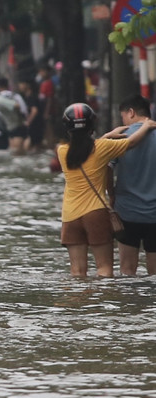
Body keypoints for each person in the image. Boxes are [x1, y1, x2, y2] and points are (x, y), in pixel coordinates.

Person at [56, 102, 156, 279]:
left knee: (77, 272)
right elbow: (131, 142)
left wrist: (108, 135)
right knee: (104, 270)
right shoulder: (103, 148)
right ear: (92, 125)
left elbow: (85, 148)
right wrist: (147, 125)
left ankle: (77, 305)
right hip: (95, 213)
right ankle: (102, 305)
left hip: (70, 215)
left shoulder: (62, 151)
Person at [103, 96, 156, 277]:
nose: (123, 121)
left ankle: (130, 305)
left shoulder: (120, 137)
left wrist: (111, 194)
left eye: (123, 116)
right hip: (155, 214)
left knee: (126, 271)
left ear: (131, 112)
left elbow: (107, 170)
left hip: (127, 211)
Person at [0, 77, 28, 154]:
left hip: (7, 129)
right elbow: (24, 110)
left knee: (13, 152)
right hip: (19, 127)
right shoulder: (16, 96)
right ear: (8, 85)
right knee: (20, 152)